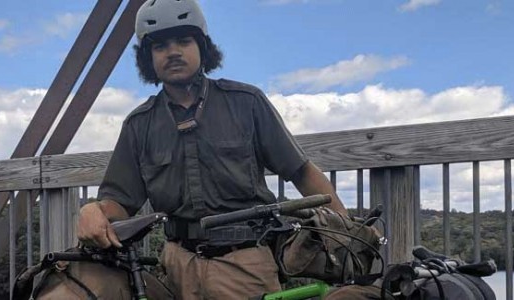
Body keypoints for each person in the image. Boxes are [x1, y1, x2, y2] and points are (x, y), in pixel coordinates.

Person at [77, 0, 347, 298]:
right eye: (160, 46)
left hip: (246, 261)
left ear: (203, 47)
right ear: (148, 59)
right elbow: (119, 201)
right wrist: (93, 210)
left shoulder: (246, 103)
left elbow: (302, 172)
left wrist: (345, 232)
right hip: (175, 267)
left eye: (184, 40)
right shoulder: (139, 124)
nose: (173, 52)